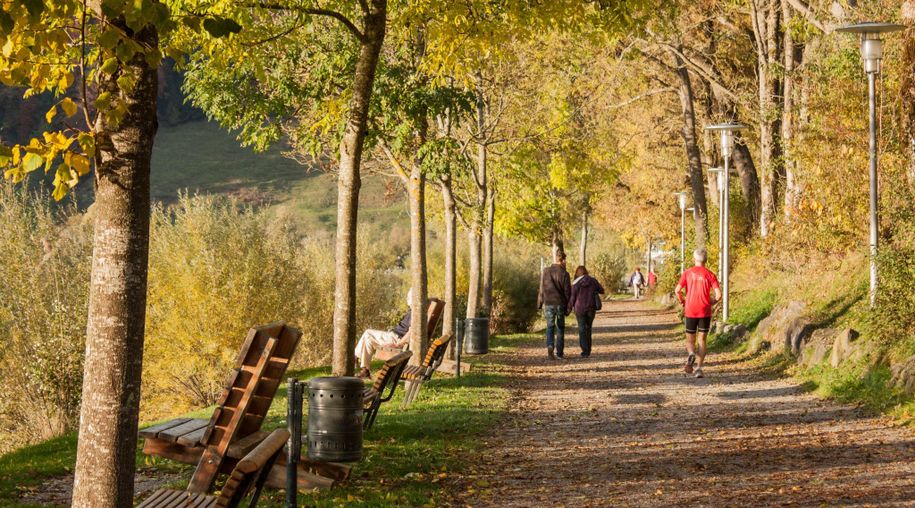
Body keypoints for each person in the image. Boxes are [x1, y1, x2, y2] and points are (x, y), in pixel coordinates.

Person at [674, 249, 722, 379]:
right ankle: (699, 369)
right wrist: (711, 302)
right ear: (705, 260)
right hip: (704, 310)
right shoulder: (710, 275)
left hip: (690, 309)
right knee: (702, 340)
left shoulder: (687, 273)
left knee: (690, 339)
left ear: (694, 259)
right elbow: (719, 295)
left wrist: (683, 301)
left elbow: (677, 290)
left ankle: (691, 354)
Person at [354, 289, 413, 378]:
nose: (407, 298)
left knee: (368, 333)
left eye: (409, 297)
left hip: (396, 338)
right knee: (368, 340)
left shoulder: (415, 313)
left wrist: (399, 344)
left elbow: (411, 332)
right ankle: (365, 370)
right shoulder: (414, 311)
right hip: (394, 335)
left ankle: (354, 357)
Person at [537, 250, 571, 360]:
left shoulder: (546, 271)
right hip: (560, 303)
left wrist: (539, 303)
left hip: (548, 303)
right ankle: (559, 353)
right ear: (563, 260)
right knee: (560, 328)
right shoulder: (565, 274)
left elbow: (542, 288)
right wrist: (568, 307)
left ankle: (550, 345)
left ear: (555, 258)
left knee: (550, 326)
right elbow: (567, 292)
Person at [567, 266, 605, 358]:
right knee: (588, 329)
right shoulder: (593, 281)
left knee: (582, 329)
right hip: (591, 309)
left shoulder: (576, 283)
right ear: (586, 272)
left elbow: (572, 298)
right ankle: (588, 349)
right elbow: (602, 290)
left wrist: (568, 309)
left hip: (579, 309)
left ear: (577, 273)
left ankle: (585, 351)